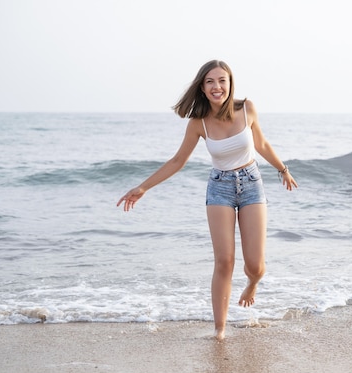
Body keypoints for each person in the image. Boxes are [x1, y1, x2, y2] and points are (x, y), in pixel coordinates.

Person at [117, 60, 297, 340]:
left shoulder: (246, 109)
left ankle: (252, 284)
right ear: (202, 87)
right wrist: (143, 187)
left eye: (222, 81)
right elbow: (178, 160)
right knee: (224, 261)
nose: (217, 87)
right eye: (210, 82)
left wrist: (283, 169)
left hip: (251, 184)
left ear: (230, 83)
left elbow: (261, 144)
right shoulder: (198, 123)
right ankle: (220, 330)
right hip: (220, 188)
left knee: (255, 266)